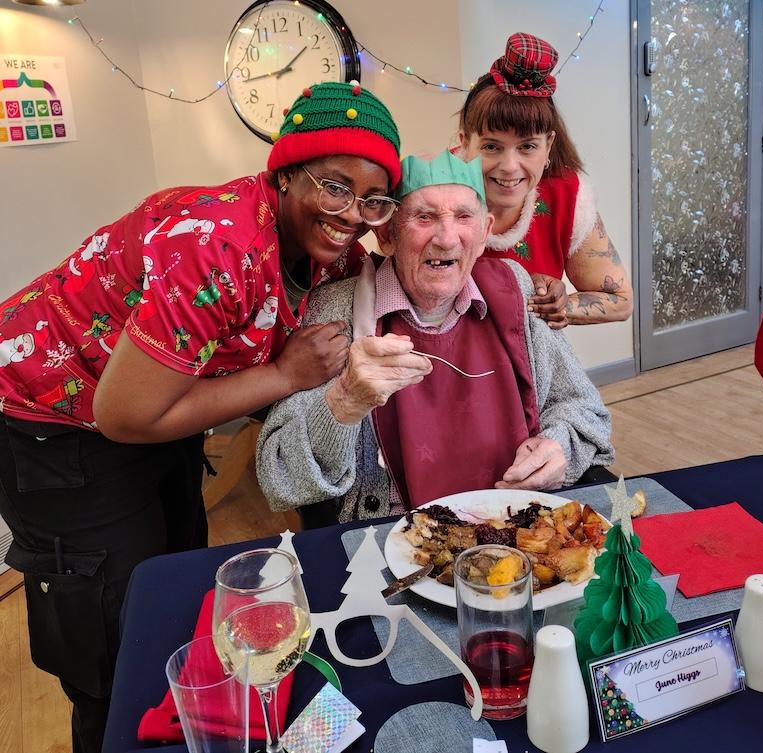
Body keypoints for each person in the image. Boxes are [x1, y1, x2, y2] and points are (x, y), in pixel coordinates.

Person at [0, 80, 401, 753]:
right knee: (114, 645)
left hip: (158, 408)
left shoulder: (336, 249)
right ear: (286, 172)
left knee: (176, 597)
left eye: (372, 198)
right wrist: (282, 375)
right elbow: (125, 414)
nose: (351, 213)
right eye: (334, 185)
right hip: (55, 421)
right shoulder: (217, 243)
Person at [256, 150, 613, 524]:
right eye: (424, 217)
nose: (446, 239)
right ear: (386, 235)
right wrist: (342, 402)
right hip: (397, 544)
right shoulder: (334, 313)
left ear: (484, 233)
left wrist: (559, 448)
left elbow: (585, 411)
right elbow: (279, 476)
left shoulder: (517, 290)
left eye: (463, 217)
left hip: (519, 528)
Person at [456, 32, 634, 327]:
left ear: (549, 145)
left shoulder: (567, 196)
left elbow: (620, 300)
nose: (510, 167)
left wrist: (553, 304)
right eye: (491, 146)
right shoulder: (434, 190)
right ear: (465, 143)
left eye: (527, 146)